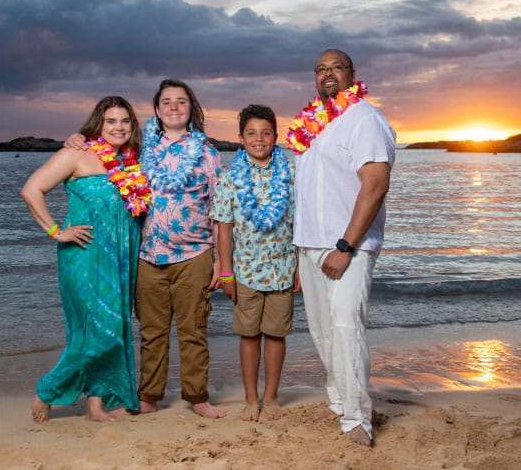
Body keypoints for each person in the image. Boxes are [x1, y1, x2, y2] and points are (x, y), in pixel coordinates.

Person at [66, 79, 226, 419]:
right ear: (156, 110)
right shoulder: (139, 151)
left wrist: (221, 263)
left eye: (180, 101)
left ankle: (197, 397)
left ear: (191, 109)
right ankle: (149, 397)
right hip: (147, 256)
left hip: (195, 255)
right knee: (151, 333)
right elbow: (102, 151)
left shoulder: (209, 154)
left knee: (193, 330)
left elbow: (221, 211)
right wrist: (77, 139)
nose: (173, 107)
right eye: (166, 101)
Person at [286, 49, 396, 446]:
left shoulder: (365, 119)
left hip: (347, 246)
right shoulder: (315, 125)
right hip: (310, 244)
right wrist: (301, 250)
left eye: (335, 67)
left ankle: (357, 420)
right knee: (323, 330)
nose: (327, 74)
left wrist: (346, 245)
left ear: (352, 73)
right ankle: (338, 401)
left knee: (347, 326)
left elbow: (375, 185)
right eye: (320, 69)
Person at [21, 95, 150, 423]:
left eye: (125, 121)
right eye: (110, 121)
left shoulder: (129, 161)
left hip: (119, 260)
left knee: (113, 330)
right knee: (94, 330)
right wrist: (56, 231)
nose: (118, 127)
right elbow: (32, 189)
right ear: (98, 123)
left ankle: (96, 403)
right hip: (84, 257)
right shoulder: (76, 153)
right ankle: (47, 390)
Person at [210, 104, 299, 422]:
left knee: (276, 334)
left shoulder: (290, 175)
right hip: (244, 270)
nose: (258, 139)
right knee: (249, 335)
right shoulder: (230, 177)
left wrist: (299, 266)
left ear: (275, 136)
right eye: (251, 133)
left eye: (265, 133)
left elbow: (299, 224)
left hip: (282, 268)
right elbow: (223, 227)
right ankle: (251, 399)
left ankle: (271, 398)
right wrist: (225, 272)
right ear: (240, 138)